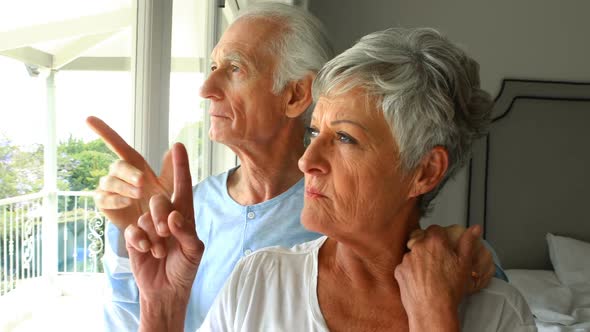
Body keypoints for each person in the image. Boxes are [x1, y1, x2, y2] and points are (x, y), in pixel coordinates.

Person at [89, 4, 499, 331]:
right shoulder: (189, 214)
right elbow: (133, 313)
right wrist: (128, 238)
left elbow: (469, 282)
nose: (206, 88)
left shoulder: (351, 210)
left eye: (234, 69)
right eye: (213, 67)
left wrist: (469, 257)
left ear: (297, 93)